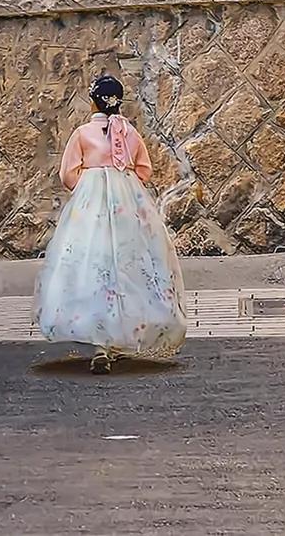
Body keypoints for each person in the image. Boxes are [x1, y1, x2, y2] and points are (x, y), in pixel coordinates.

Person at [36, 72, 191, 363]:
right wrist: (126, 185)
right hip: (126, 203)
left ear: (94, 102)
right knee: (129, 263)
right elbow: (144, 169)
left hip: (91, 204)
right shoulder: (129, 132)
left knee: (92, 263)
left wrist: (88, 185)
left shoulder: (82, 133)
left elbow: (67, 173)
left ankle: (99, 339)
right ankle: (124, 332)